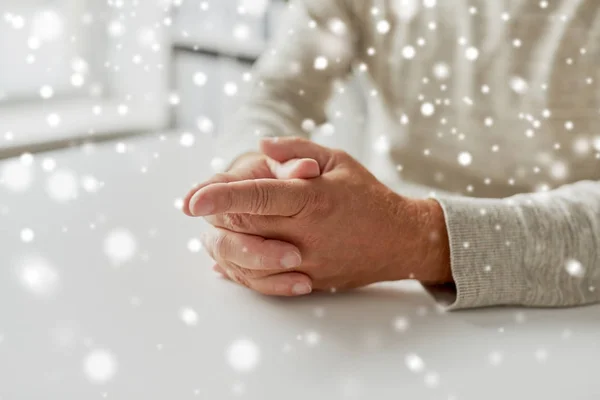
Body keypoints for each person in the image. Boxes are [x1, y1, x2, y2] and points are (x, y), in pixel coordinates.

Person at [182, 0, 600, 309]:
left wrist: (419, 240)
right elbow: (274, 94)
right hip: (385, 297)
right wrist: (260, 174)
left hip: (573, 311)